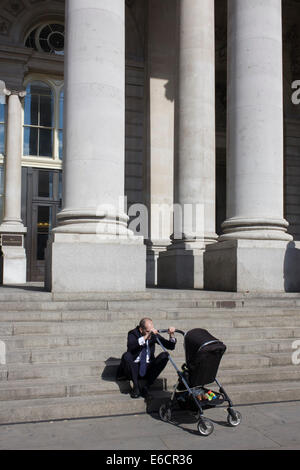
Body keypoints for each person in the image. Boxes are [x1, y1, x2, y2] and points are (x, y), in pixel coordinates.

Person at [116, 318, 176, 398]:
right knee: (126, 355)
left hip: (147, 367)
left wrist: (171, 334)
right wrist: (146, 336)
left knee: (165, 355)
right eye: (148, 331)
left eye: (151, 331)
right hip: (133, 368)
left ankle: (146, 387)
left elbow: (170, 346)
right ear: (141, 329)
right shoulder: (132, 333)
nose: (150, 333)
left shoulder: (153, 335)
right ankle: (136, 387)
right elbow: (131, 346)